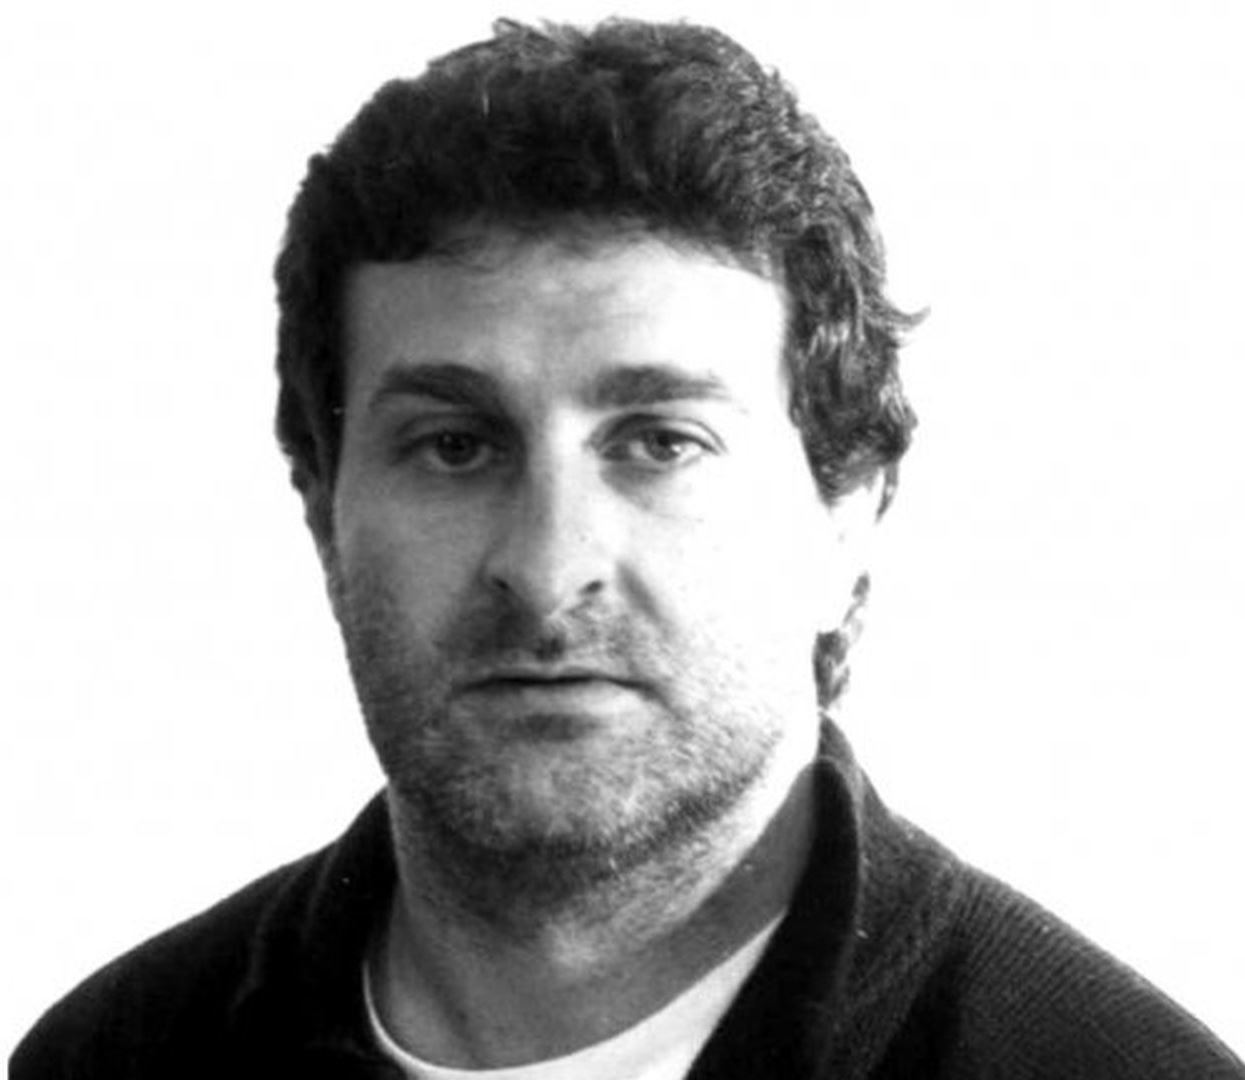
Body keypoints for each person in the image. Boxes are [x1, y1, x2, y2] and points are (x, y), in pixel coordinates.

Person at [12, 17, 1243, 1080]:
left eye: (660, 442)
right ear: (320, 512)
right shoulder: (110, 1056)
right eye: (454, 445)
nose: (548, 569)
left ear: (845, 517)